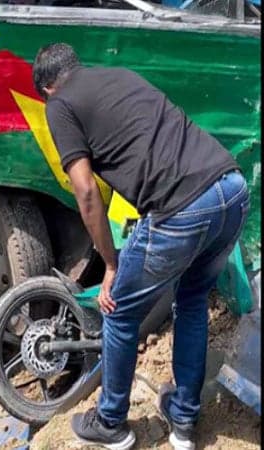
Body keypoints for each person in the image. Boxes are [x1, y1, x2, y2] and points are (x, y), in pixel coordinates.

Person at [32, 43, 249, 450]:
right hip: (232, 191)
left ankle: (111, 422)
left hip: (182, 208)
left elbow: (86, 193)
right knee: (192, 299)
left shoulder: (59, 105)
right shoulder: (120, 77)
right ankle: (183, 420)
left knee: (120, 311)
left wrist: (111, 264)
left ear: (47, 88)